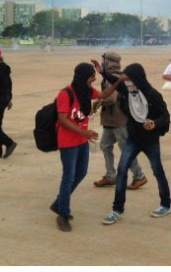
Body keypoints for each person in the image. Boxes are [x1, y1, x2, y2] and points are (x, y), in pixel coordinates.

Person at [97, 61, 171, 226]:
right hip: (133, 139)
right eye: (126, 80)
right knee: (122, 170)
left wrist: (154, 123)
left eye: (130, 79)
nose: (127, 83)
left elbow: (165, 116)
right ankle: (117, 209)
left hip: (150, 140)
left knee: (157, 170)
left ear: (138, 79)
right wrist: (102, 72)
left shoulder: (152, 95)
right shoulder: (127, 90)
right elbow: (115, 80)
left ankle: (165, 204)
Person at [52, 63, 121, 232]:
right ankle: (63, 214)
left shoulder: (86, 92)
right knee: (68, 176)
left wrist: (118, 82)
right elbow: (62, 119)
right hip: (68, 142)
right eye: (91, 77)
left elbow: (103, 94)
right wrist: (85, 133)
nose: (94, 79)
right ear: (83, 77)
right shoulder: (66, 93)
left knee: (81, 173)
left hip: (81, 141)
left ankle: (59, 202)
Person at [93, 51, 147, 190]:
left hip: (118, 119)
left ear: (109, 62)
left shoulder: (114, 78)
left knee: (126, 149)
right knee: (105, 145)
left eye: (104, 60)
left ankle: (139, 176)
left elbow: (110, 99)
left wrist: (98, 101)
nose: (102, 63)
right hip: (110, 119)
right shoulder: (114, 76)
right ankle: (111, 176)